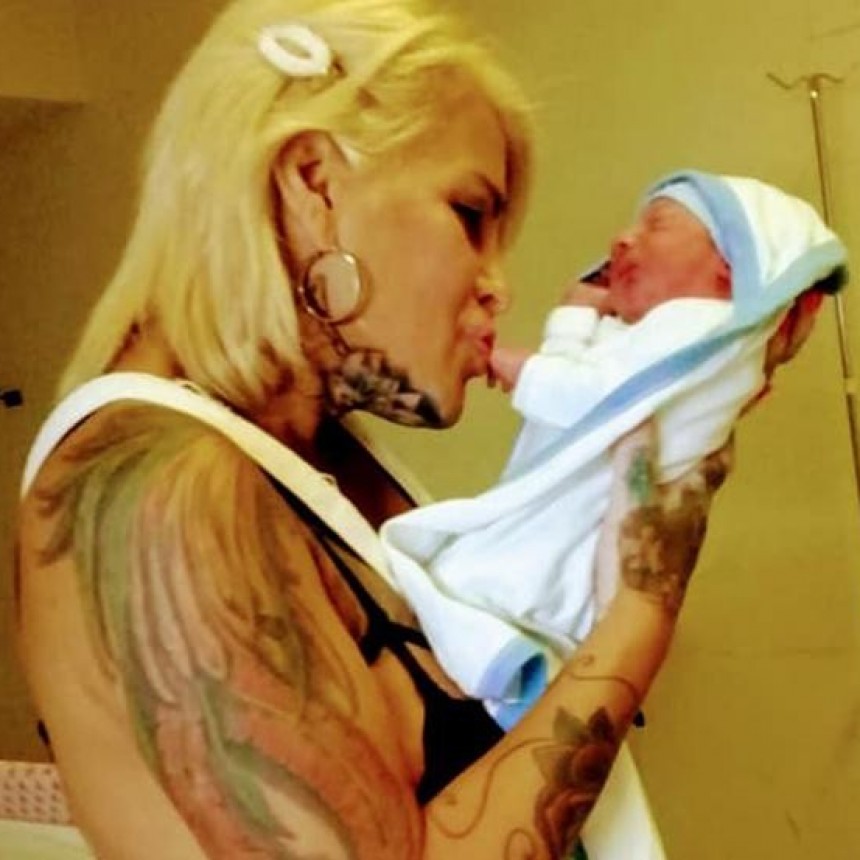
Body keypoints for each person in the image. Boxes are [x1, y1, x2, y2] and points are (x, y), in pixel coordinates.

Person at [11, 2, 820, 858]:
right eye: (469, 215)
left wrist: (691, 394)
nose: (497, 285)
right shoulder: (159, 487)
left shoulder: (321, 457)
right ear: (314, 184)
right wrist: (642, 614)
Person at [380, 170, 846, 728]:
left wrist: (511, 363)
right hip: (588, 503)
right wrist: (576, 315)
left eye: (657, 225)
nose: (624, 239)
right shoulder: (653, 338)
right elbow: (577, 389)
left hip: (593, 514)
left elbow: (590, 395)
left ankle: (509, 668)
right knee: (497, 566)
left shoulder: (703, 327)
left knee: (502, 575)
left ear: (732, 266)